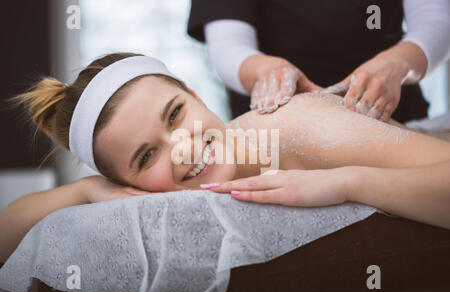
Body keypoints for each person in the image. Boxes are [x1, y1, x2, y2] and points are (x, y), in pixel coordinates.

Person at [1, 52, 450, 264]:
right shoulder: (155, 196)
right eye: (146, 155)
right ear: (130, 183)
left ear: (195, 94)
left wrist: (347, 182)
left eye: (176, 114)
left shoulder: (297, 127)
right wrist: (86, 189)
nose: (183, 146)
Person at [187, 0, 450, 122]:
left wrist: (397, 64)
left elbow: (436, 19)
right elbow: (228, 46)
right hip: (282, 123)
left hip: (390, 112)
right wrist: (268, 73)